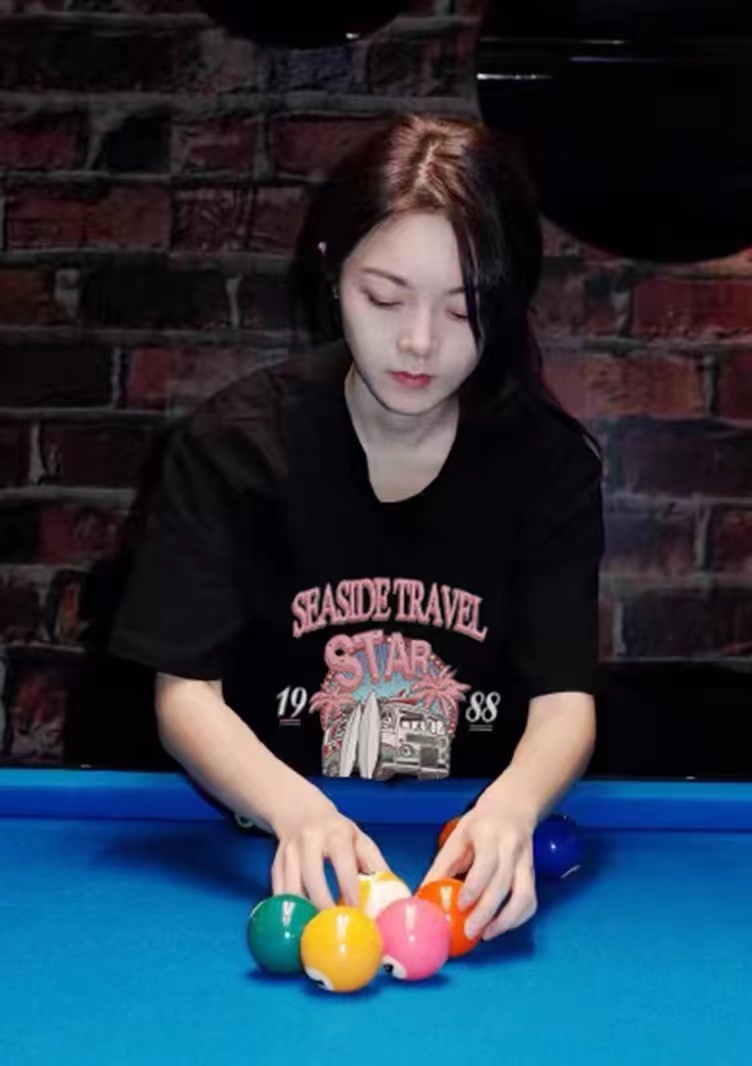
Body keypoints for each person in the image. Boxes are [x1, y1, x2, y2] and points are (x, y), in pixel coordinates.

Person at [110, 113, 605, 944]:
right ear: (332, 270)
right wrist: (297, 811)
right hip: (273, 815)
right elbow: (183, 694)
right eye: (385, 297)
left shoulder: (548, 465)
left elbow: (565, 703)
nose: (419, 342)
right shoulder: (233, 448)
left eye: (464, 309)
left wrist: (514, 808)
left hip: (464, 827)